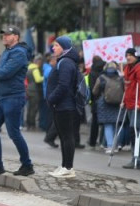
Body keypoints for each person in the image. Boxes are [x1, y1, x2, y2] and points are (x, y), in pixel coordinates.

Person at [0, 26, 34, 177]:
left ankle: (27, 164)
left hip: (13, 97)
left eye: (8, 34)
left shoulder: (19, 53)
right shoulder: (7, 51)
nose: (4, 36)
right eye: (3, 34)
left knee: (13, 133)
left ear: (16, 37)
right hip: (0, 97)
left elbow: (6, 72)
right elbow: (2, 72)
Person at [45, 36, 81, 178]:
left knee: (67, 137)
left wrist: (51, 99)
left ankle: (68, 167)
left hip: (65, 105)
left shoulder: (65, 62)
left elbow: (64, 86)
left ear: (64, 48)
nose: (53, 48)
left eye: (57, 45)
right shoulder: (64, 61)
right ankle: (64, 165)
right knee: (63, 136)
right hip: (61, 105)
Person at [93, 62, 124, 153]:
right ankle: (116, 145)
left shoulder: (101, 78)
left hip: (104, 103)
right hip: (118, 104)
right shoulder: (120, 78)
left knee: (107, 125)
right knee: (116, 125)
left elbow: (95, 91)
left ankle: (110, 146)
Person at [87, 56, 106, 148]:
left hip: (95, 99)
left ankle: (92, 141)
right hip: (105, 98)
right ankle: (104, 141)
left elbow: (91, 87)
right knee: (107, 121)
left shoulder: (92, 72)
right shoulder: (105, 70)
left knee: (94, 121)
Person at [26, 54, 45, 131]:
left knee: (29, 108)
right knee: (34, 108)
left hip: (29, 89)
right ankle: (32, 125)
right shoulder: (35, 69)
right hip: (34, 90)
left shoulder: (29, 68)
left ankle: (28, 124)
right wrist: (45, 77)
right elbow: (38, 80)